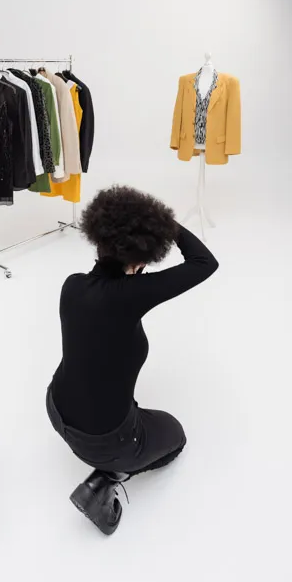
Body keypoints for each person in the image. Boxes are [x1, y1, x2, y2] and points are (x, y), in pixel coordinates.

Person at [47, 185, 219, 535]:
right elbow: (205, 262)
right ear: (140, 260)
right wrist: (166, 222)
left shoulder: (71, 285)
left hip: (55, 409)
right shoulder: (132, 295)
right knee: (176, 437)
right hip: (105, 443)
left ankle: (108, 455)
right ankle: (103, 480)